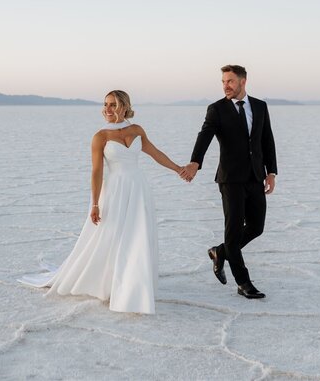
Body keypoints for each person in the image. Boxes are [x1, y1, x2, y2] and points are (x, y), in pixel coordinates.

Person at [18, 90, 184, 314]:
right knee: (111, 236)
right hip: (114, 191)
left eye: (113, 104)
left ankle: (134, 285)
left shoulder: (137, 130)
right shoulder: (101, 136)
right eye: (105, 104)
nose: (107, 109)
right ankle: (108, 282)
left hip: (138, 189)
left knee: (137, 235)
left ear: (124, 106)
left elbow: (155, 153)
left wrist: (178, 169)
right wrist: (95, 204)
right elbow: (96, 172)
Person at [181, 65, 277, 299]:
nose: (226, 85)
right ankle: (244, 282)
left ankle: (219, 252)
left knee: (257, 227)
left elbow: (267, 139)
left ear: (243, 81)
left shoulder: (260, 106)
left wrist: (271, 172)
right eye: (223, 81)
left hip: (255, 176)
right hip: (230, 179)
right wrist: (195, 162)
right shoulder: (217, 109)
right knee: (233, 232)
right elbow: (204, 135)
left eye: (230, 81)